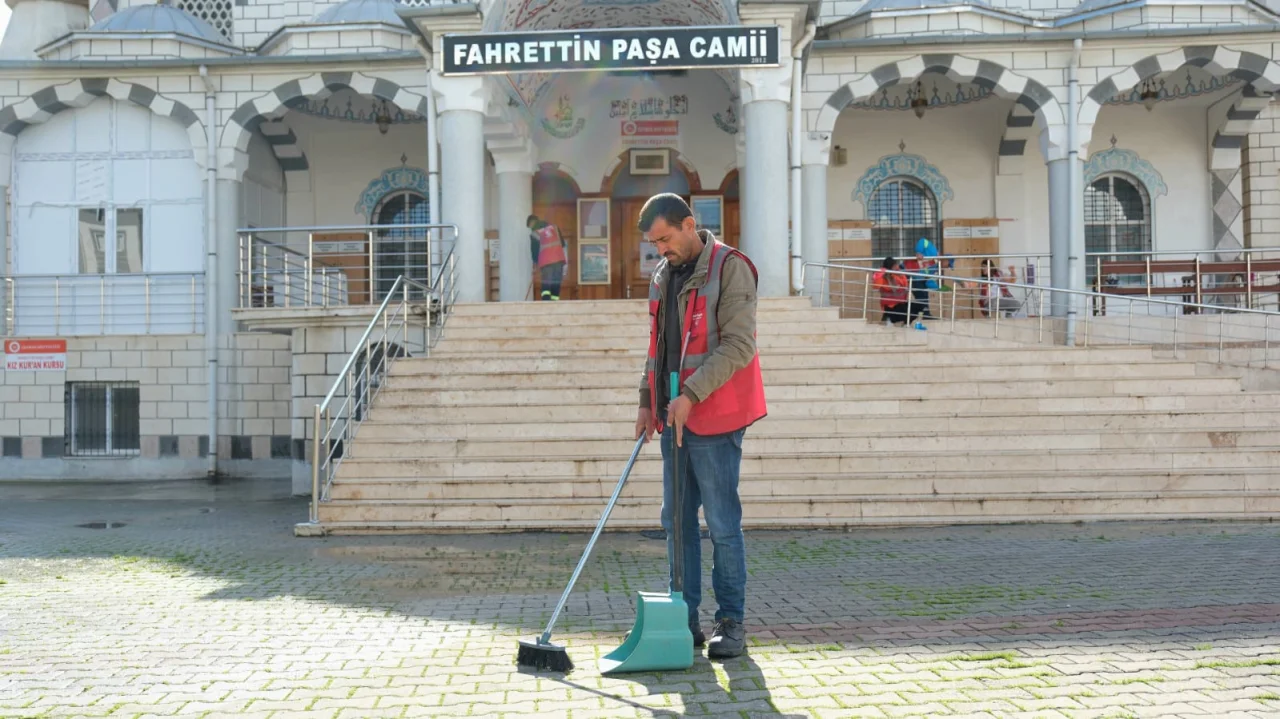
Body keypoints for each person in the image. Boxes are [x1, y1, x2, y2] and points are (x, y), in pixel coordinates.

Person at [633, 192, 767, 660]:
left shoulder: (731, 267)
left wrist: (690, 394)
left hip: (715, 413)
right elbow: (658, 345)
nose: (661, 250)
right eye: (655, 244)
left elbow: (738, 346)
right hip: (674, 417)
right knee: (676, 521)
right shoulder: (662, 275)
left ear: (690, 224)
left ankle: (730, 623)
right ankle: (682, 620)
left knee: (723, 524)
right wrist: (648, 399)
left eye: (666, 239)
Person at [528, 214, 567, 300]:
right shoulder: (554, 228)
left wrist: (535, 265)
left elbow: (534, 252)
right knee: (556, 285)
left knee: (546, 286)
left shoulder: (535, 233)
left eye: (530, 226)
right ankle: (554, 306)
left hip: (546, 262)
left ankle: (546, 305)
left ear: (532, 222)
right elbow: (563, 245)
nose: (530, 228)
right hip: (559, 260)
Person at [901, 238, 939, 321]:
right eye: (948, 265)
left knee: (922, 296)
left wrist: (937, 288)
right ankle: (924, 314)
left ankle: (925, 314)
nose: (947, 267)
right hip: (910, 273)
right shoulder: (933, 252)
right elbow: (923, 241)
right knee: (921, 296)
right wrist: (919, 252)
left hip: (918, 277)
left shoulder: (935, 265)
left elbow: (929, 279)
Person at [873, 256, 911, 326]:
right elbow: (878, 287)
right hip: (891, 304)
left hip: (900, 302)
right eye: (895, 265)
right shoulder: (884, 276)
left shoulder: (899, 274)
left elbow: (905, 286)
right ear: (890, 266)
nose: (897, 267)